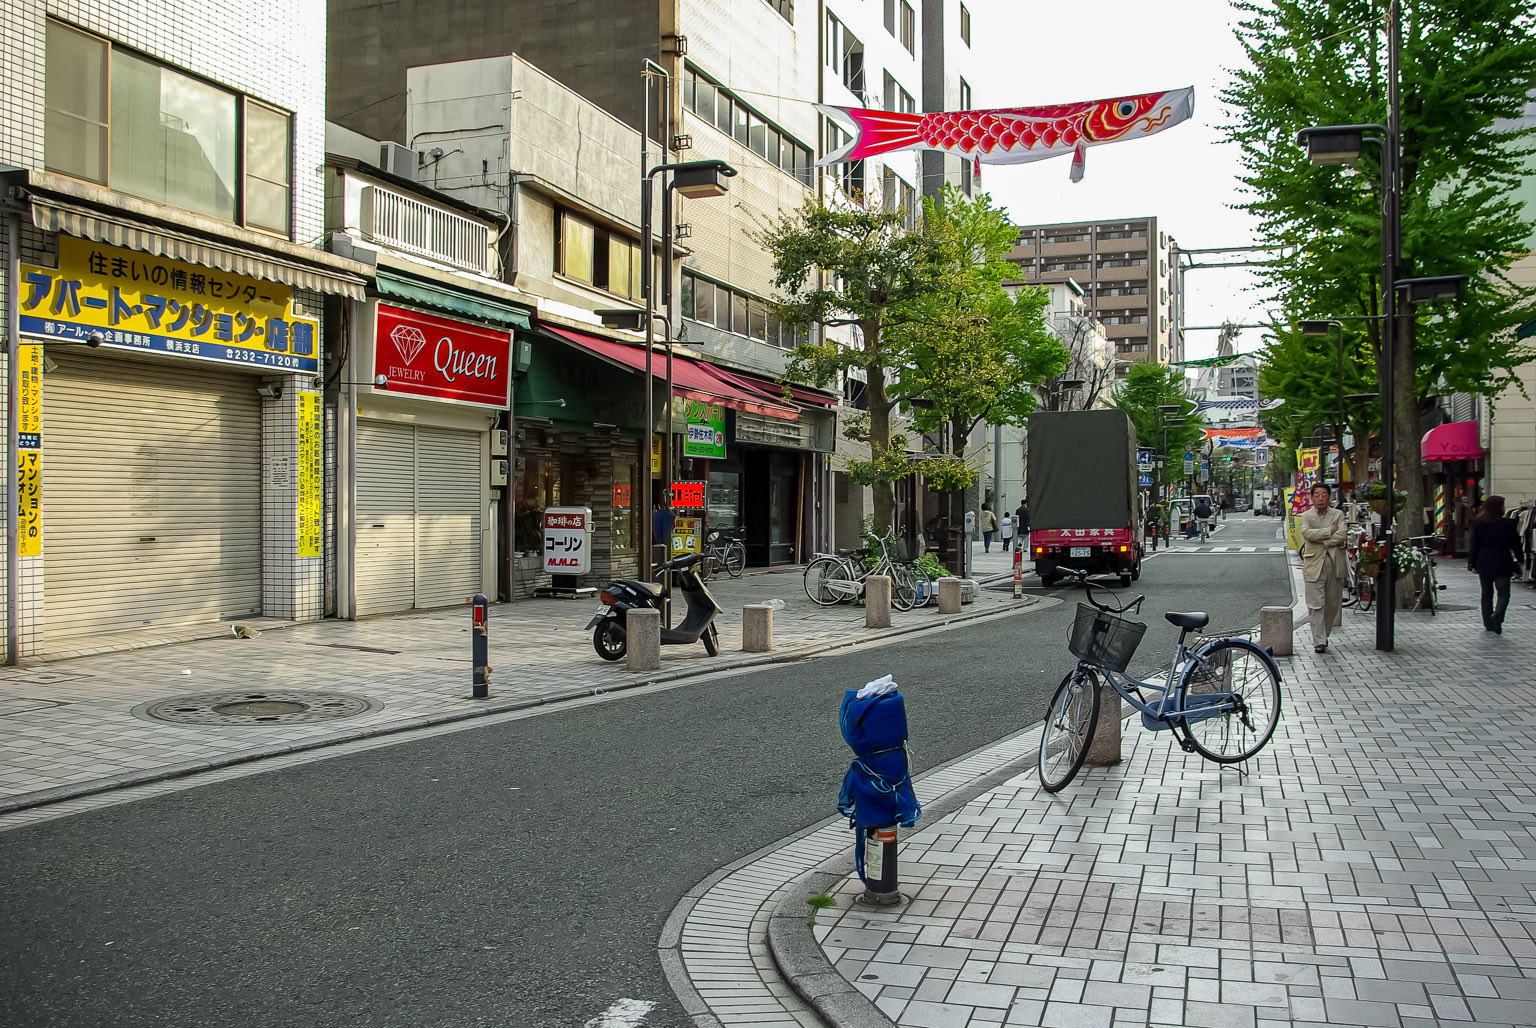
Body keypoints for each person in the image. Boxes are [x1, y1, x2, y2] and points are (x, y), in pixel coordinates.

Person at [1299, 483, 1348, 653]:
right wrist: (1329, 531)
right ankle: (1319, 640)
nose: (1321, 498)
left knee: (1333, 604)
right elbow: (1307, 534)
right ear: (1311, 497)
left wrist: (1323, 540)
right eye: (1317, 495)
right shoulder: (1306, 516)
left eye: (1324, 495)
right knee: (1316, 604)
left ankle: (1324, 634)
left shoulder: (1338, 514)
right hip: (1314, 564)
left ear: (1329, 496)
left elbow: (1342, 535)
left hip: (1334, 563)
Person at [1468, 494, 1523, 634]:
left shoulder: (1478, 523)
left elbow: (1474, 545)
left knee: (1486, 594)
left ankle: (1488, 622)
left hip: (1484, 561)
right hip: (1503, 561)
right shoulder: (1509, 524)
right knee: (1504, 593)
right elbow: (1515, 544)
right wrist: (1520, 559)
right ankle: (1497, 616)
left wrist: (1472, 563)